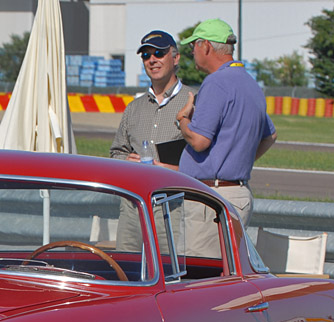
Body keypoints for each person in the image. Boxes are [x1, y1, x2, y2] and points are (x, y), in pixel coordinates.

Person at [175, 18, 277, 228]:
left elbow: (200, 141)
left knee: (200, 260)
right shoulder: (250, 83)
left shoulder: (216, 82)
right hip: (238, 194)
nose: (192, 52)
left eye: (194, 46)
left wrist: (183, 120)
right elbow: (270, 135)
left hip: (212, 196)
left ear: (207, 46)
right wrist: (237, 160)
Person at [110, 30, 195, 170]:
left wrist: (177, 169)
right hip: (140, 189)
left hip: (180, 188)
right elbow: (116, 152)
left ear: (176, 58)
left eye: (159, 53)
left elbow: (207, 157)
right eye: (146, 55)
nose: (152, 60)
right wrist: (125, 160)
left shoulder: (195, 100)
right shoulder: (133, 108)